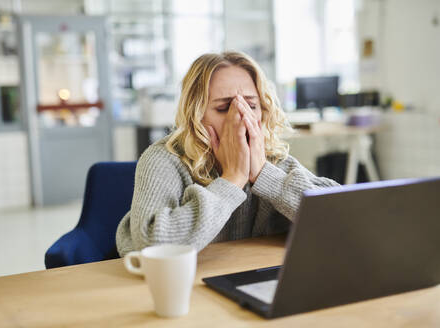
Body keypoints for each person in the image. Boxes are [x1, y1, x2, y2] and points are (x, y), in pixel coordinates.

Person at [116, 51, 339, 257]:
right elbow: (153, 246)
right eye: (224, 108)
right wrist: (233, 178)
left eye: (251, 106)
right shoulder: (163, 159)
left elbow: (343, 218)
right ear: (195, 114)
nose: (240, 118)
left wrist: (264, 174)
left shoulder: (269, 157)